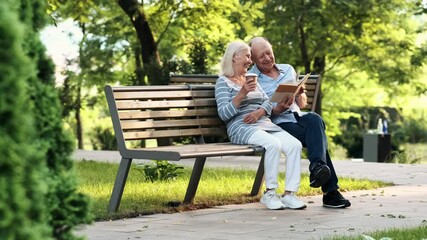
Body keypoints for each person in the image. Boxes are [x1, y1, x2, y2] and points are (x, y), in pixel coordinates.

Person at [248, 36, 351, 208]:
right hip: (277, 123)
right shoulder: (252, 78)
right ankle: (330, 191)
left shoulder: (287, 69)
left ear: (273, 50)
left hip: (298, 117)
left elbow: (302, 104)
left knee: (315, 119)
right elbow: (255, 110)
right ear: (252, 59)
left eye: (269, 53)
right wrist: (278, 109)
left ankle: (318, 167)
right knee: (318, 138)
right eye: (261, 56)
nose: (267, 58)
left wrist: (299, 93)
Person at [215, 41, 306, 210]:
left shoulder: (250, 79)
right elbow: (224, 114)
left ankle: (289, 194)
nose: (250, 61)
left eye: (250, 57)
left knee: (294, 145)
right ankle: (270, 193)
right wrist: (241, 94)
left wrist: (259, 112)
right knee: (274, 144)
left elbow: (267, 102)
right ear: (234, 58)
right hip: (240, 126)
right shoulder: (223, 82)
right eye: (248, 56)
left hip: (263, 123)